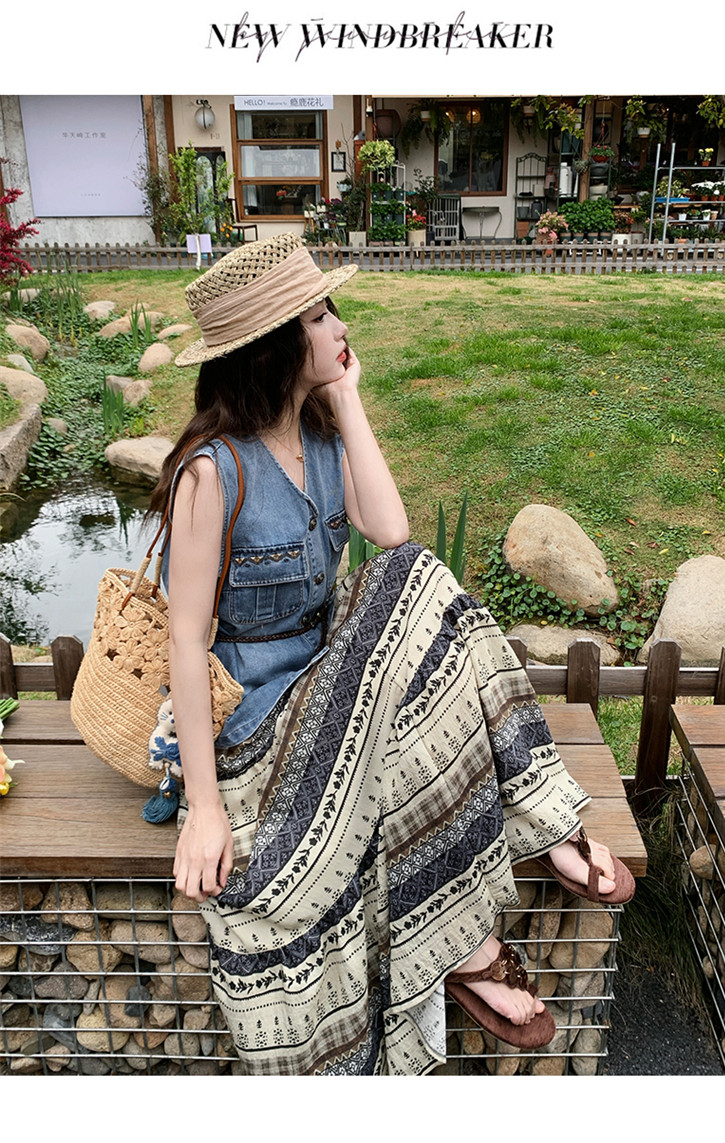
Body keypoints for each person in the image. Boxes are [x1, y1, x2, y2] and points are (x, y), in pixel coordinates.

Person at [149, 233, 634, 1076]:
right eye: (317, 315)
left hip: (334, 687)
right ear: (273, 344)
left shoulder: (320, 436)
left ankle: (539, 832)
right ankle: (509, 882)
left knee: (416, 578)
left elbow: (388, 526)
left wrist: (347, 397)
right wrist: (204, 808)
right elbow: (185, 643)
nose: (339, 325)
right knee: (415, 580)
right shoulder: (211, 473)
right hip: (261, 729)